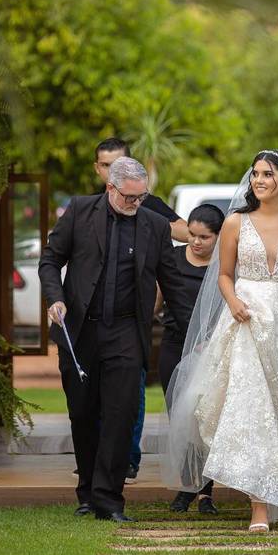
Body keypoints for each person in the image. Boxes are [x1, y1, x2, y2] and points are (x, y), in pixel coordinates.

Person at [162, 149, 278, 533]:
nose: (259, 180)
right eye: (255, 174)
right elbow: (224, 274)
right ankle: (259, 507)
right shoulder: (236, 222)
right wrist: (235, 301)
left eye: (267, 174)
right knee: (254, 410)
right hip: (246, 322)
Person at [39, 157, 193, 523]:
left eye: (142, 197)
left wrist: (193, 332)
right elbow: (50, 260)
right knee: (83, 413)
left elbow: (171, 283)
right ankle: (88, 493)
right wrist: (54, 297)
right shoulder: (79, 211)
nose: (136, 204)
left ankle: (109, 500)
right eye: (130, 198)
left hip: (126, 331)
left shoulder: (155, 226)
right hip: (80, 330)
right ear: (111, 188)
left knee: (120, 416)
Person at [92, 137, 185, 483]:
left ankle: (128, 457)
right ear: (100, 171)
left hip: (134, 318)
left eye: (118, 163)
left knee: (133, 388)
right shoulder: (90, 209)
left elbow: (185, 232)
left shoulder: (148, 206)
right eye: (105, 166)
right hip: (95, 319)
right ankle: (99, 459)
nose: (112, 170)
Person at [155, 203, 225, 515]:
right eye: (192, 235)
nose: (196, 242)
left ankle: (203, 492)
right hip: (174, 344)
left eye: (204, 237)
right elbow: (157, 298)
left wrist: (212, 339)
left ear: (219, 237)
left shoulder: (226, 264)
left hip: (211, 349)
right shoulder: (170, 257)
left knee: (204, 419)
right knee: (180, 419)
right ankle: (187, 486)